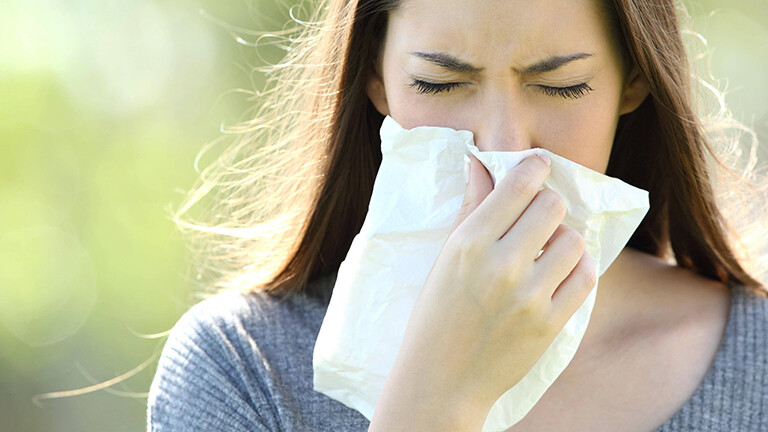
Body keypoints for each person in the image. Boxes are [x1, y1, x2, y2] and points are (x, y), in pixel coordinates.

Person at [146, 0, 768, 430]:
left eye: (560, 86)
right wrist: (440, 394)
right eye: (440, 84)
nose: (504, 147)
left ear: (633, 81)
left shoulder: (755, 358)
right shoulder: (244, 368)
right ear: (376, 78)